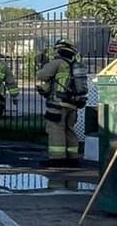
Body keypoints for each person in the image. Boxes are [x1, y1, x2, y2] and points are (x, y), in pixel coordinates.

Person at [35, 39, 88, 167]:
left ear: (59, 49)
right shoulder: (75, 64)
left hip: (58, 104)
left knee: (56, 130)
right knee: (69, 130)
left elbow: (41, 75)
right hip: (73, 104)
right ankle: (72, 158)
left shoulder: (58, 62)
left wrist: (42, 65)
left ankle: (57, 159)